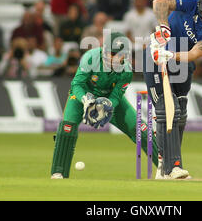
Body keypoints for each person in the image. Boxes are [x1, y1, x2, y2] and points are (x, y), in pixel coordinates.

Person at [144, 0, 202, 179]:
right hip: (155, 58)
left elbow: (193, 54)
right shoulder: (191, 3)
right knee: (167, 107)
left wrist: (170, 55)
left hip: (181, 61)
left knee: (180, 111)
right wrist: (164, 26)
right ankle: (173, 167)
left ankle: (164, 165)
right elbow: (159, 2)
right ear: (200, 4)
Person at [50, 32, 159, 179]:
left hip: (108, 98)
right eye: (109, 52)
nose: (111, 57)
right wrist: (85, 100)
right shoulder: (90, 58)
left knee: (141, 129)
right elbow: (77, 84)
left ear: (124, 56)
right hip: (82, 95)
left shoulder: (126, 71)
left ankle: (165, 168)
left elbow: (116, 96)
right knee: (67, 128)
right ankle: (59, 172)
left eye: (116, 54)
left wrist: (107, 105)